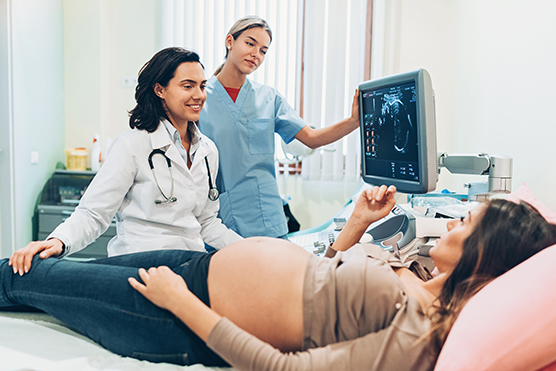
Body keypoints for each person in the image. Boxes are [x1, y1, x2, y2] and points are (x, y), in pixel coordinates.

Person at [2, 185, 556, 370]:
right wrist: (358, 226)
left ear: (484, 256)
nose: (450, 221)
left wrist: (180, 303)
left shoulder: (421, 331)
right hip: (188, 269)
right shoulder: (415, 273)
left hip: (176, 312)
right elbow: (323, 284)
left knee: (22, 282)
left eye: (465, 221)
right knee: (37, 270)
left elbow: (281, 366)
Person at [9, 47, 241, 275]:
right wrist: (59, 240)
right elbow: (93, 213)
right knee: (44, 276)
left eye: (202, 86)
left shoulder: (208, 150)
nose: (199, 95)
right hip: (139, 263)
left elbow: (207, 222)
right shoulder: (132, 145)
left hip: (189, 264)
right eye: (187, 86)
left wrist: (250, 248)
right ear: (159, 90)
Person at [199, 16, 361, 239]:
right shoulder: (199, 97)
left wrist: (353, 121)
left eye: (264, 50)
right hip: (220, 217)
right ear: (230, 41)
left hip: (266, 214)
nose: (256, 54)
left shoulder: (269, 98)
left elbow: (312, 138)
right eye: (250, 43)